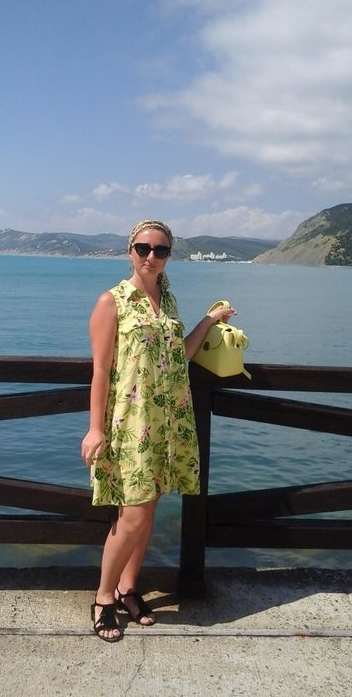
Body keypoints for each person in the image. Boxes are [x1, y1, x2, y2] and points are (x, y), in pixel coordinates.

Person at [81, 218, 236, 642]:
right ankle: (103, 597)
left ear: (169, 255)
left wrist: (208, 320)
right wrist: (95, 429)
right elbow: (100, 370)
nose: (152, 256)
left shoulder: (167, 300)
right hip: (130, 423)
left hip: (167, 422)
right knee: (132, 514)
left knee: (148, 510)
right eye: (144, 248)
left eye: (161, 250)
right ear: (130, 251)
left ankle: (129, 588)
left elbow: (180, 353)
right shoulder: (112, 301)